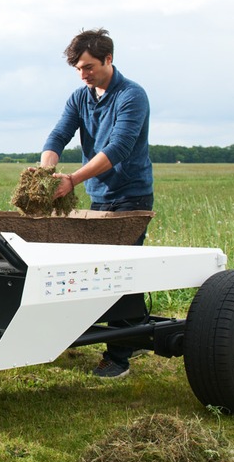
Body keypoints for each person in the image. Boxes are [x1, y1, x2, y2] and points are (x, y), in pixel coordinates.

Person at [40, 28, 153, 379]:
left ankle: (118, 356)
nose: (83, 74)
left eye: (88, 66)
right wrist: (46, 173)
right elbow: (59, 134)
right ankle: (135, 330)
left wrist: (71, 180)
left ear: (108, 59)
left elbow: (118, 148)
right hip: (98, 198)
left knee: (120, 274)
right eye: (78, 68)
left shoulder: (132, 96)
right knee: (94, 273)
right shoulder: (80, 97)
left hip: (131, 197)